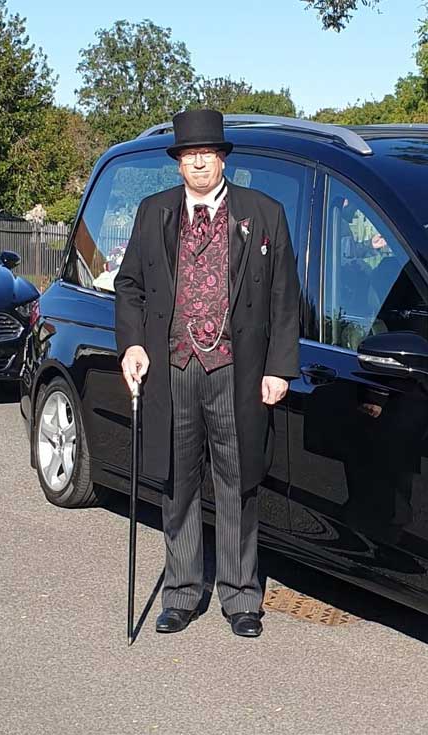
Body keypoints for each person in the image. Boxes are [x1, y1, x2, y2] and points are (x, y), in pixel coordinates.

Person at [114, 109, 301, 638]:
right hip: (171, 367)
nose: (198, 163)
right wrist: (131, 344)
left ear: (222, 159)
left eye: (207, 154)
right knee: (177, 482)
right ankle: (181, 592)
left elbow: (286, 297)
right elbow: (129, 286)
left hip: (236, 370)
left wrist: (279, 367)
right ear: (178, 165)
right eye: (189, 156)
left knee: (238, 479)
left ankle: (242, 597)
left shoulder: (263, 214)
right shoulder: (154, 214)